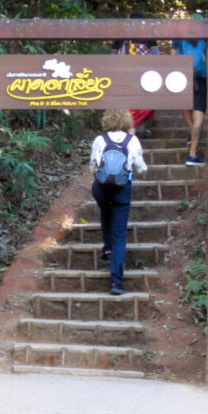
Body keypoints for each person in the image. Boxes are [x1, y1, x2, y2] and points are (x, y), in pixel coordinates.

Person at [89, 109, 148, 295]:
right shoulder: (132, 141)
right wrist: (142, 169)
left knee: (106, 213)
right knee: (120, 235)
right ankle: (116, 282)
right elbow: (140, 167)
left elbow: (92, 166)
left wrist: (104, 176)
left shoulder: (100, 140)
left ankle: (107, 250)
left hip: (101, 188)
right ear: (126, 122)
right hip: (123, 189)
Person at [112, 11, 158, 135]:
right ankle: (135, 129)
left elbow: (112, 57)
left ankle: (134, 129)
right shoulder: (148, 38)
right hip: (138, 75)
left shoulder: (121, 38)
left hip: (132, 75)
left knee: (138, 102)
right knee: (140, 101)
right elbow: (156, 57)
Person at [171, 19, 207, 166]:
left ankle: (192, 134)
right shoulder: (205, 37)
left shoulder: (178, 37)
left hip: (182, 78)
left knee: (185, 106)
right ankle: (192, 154)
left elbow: (172, 57)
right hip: (200, 79)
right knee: (198, 114)